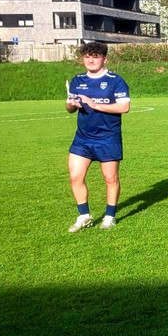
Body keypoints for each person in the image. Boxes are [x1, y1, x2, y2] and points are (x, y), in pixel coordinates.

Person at [65, 42, 131, 232]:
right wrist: (71, 104)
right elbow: (69, 109)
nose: (91, 60)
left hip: (108, 137)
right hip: (82, 138)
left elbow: (124, 107)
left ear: (104, 59)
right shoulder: (77, 80)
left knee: (110, 178)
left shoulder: (115, 81)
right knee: (75, 176)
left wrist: (94, 105)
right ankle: (84, 216)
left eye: (95, 56)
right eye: (87, 56)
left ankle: (110, 216)